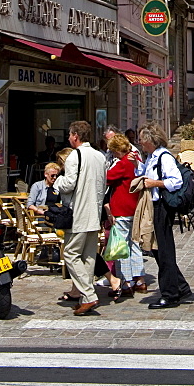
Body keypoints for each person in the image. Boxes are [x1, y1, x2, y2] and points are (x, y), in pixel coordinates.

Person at [54, 120, 107, 315]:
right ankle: (86, 297)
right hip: (94, 212)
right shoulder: (100, 156)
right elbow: (103, 185)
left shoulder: (74, 156)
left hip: (79, 213)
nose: (68, 138)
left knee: (70, 253)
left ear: (76, 136)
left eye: (70, 135)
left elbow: (68, 184)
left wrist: (57, 181)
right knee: (88, 256)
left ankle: (89, 295)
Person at [138, 124, 193, 309]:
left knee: (164, 249)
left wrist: (155, 183)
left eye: (142, 139)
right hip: (153, 206)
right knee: (156, 249)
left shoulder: (164, 157)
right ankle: (180, 286)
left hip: (162, 206)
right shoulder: (151, 157)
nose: (140, 143)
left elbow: (175, 181)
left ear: (149, 140)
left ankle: (170, 294)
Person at [105, 133, 146, 296]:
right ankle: (140, 279)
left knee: (122, 246)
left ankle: (127, 281)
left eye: (114, 151)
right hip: (135, 207)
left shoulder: (123, 163)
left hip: (122, 208)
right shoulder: (136, 158)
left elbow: (108, 177)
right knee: (134, 243)